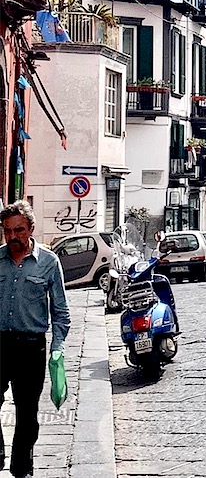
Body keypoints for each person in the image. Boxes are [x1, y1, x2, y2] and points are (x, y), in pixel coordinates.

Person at [0, 200, 71, 478]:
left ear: (31, 229)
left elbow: (61, 311)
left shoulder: (49, 262)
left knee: (27, 414)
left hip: (31, 347)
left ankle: (21, 469)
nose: (13, 237)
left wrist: (57, 348)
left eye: (18, 230)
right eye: (7, 231)